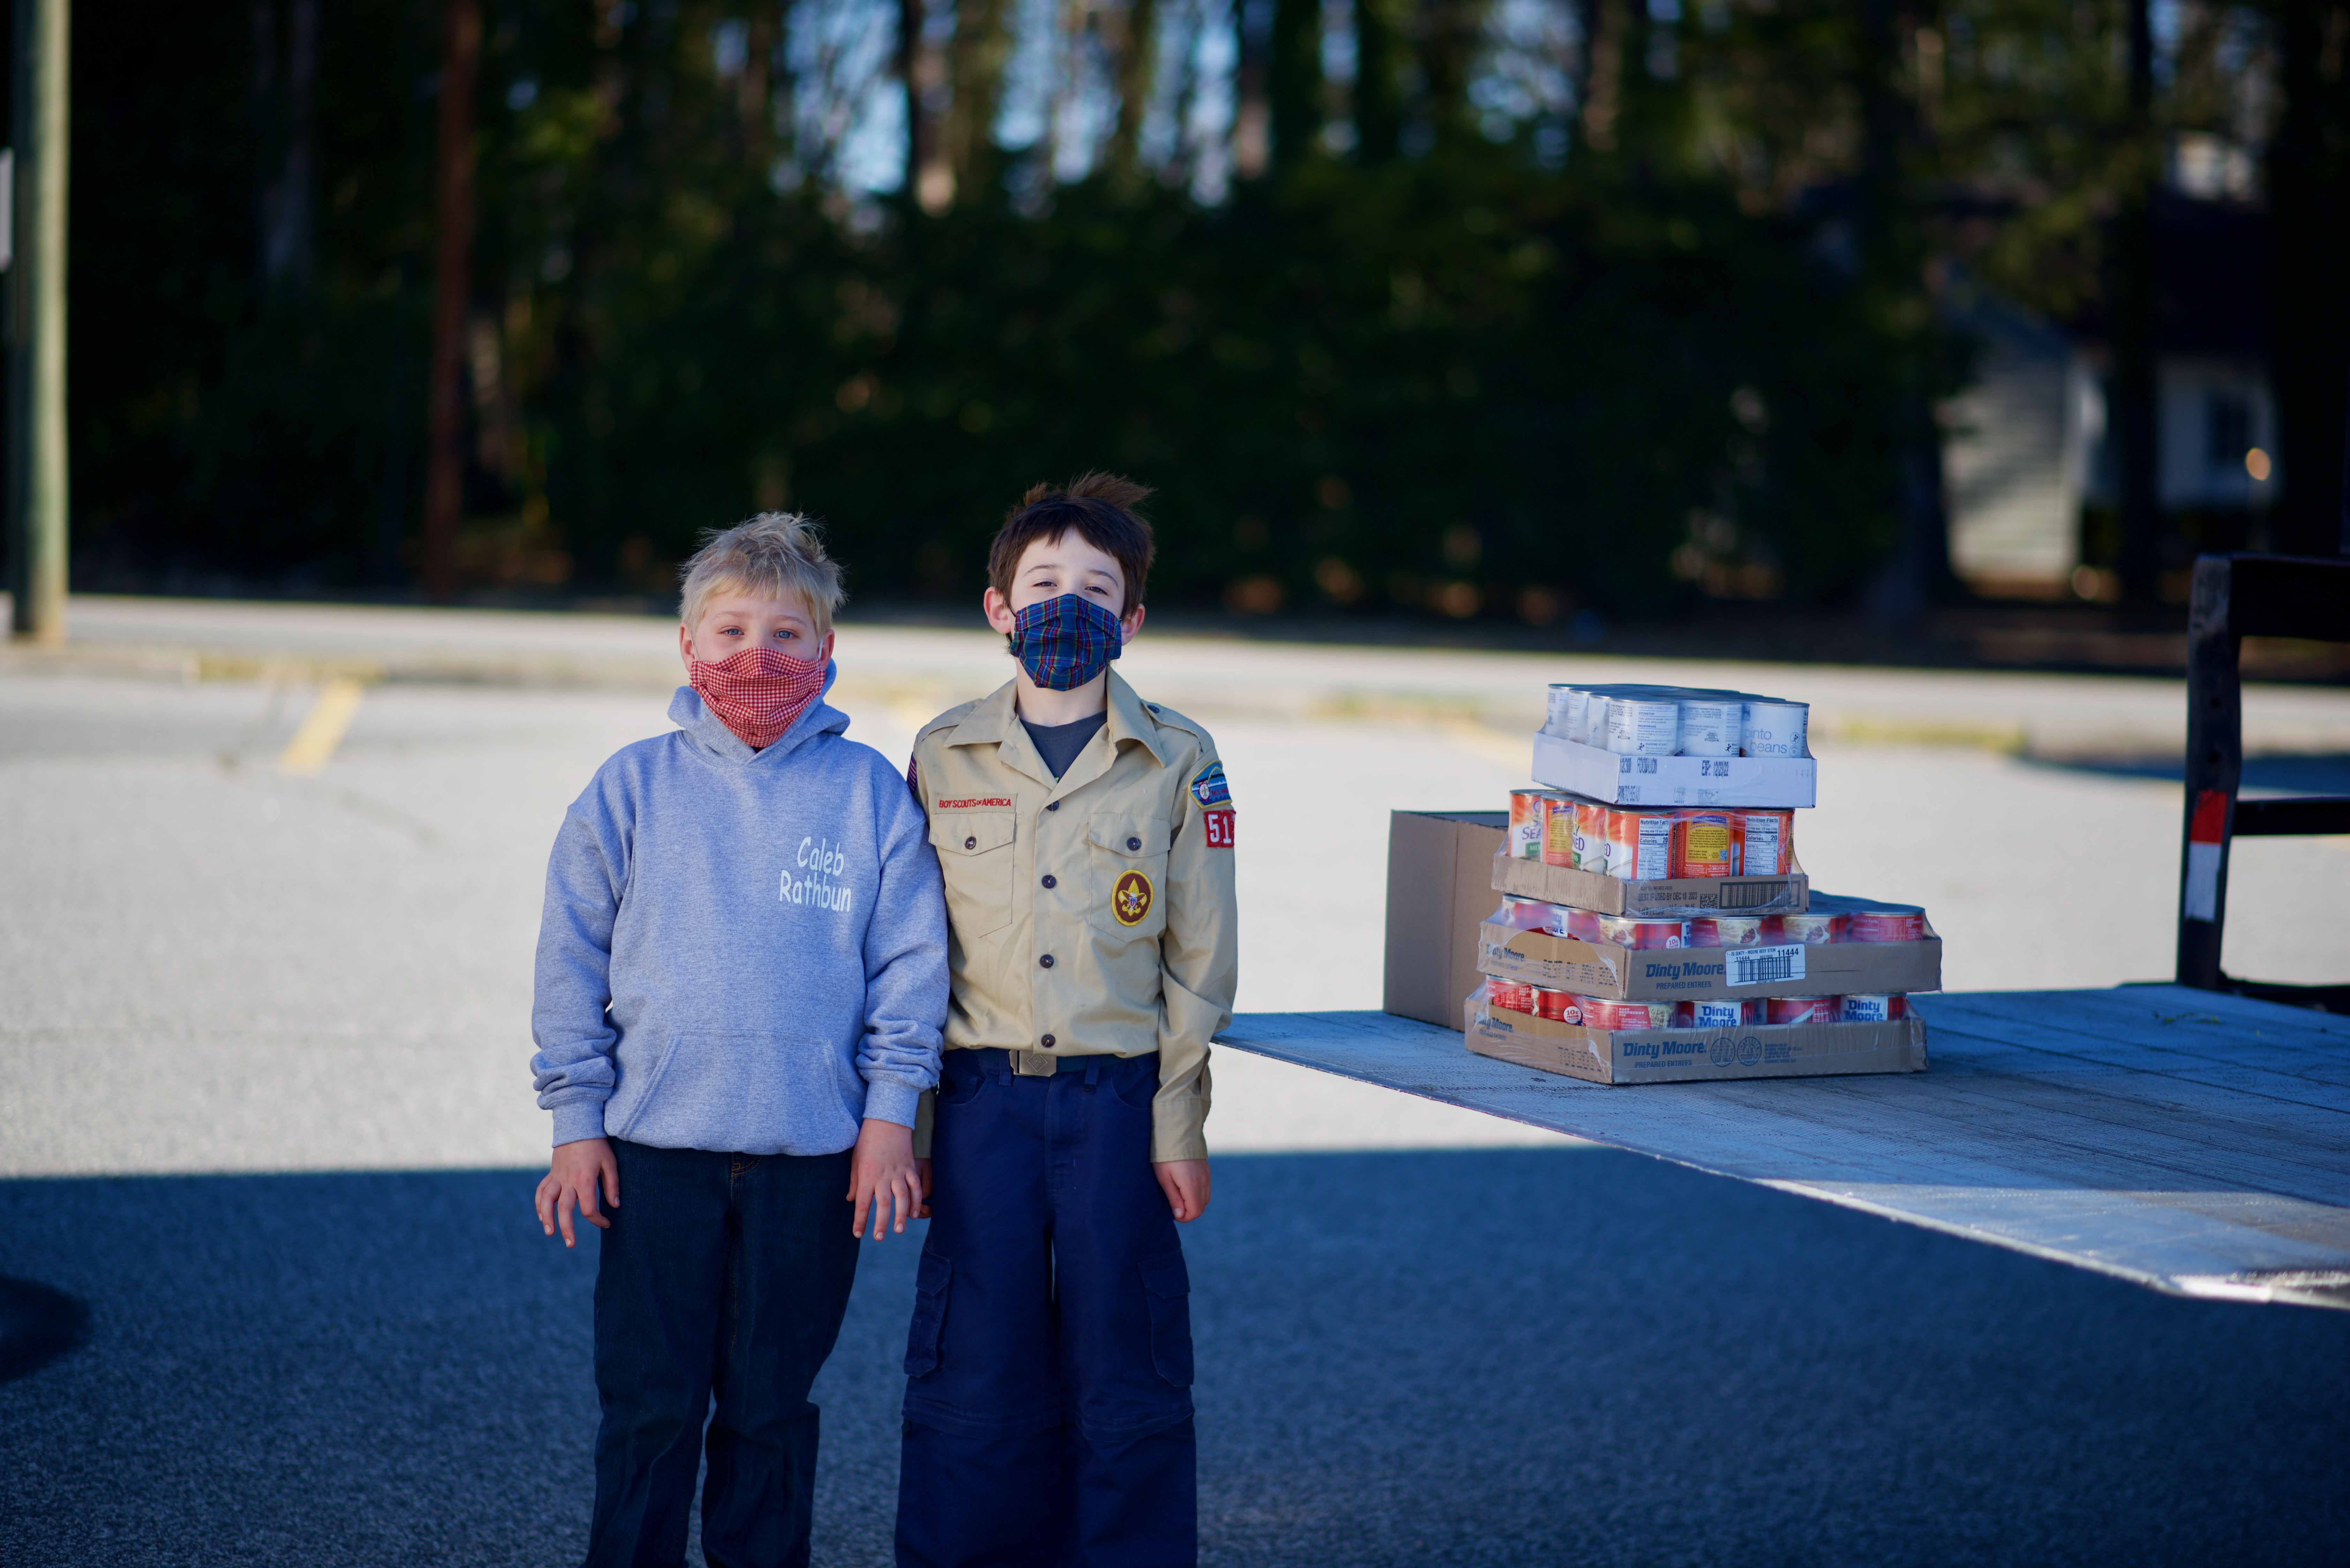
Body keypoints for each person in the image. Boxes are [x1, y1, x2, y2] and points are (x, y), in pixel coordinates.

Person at [530, 513, 947, 1568]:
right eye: (728, 632)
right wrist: (576, 1121)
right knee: (651, 1405)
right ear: (686, 648)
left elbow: (911, 970)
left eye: (787, 636)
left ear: (828, 655)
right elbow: (571, 960)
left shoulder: (868, 799)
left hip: (810, 1162)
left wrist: (890, 1118)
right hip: (655, 1155)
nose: (756, 658)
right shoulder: (630, 789)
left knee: (769, 1411)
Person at [896, 474, 1240, 1568]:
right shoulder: (943, 754)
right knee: (976, 1375)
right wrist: (903, 1124)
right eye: (1043, 584)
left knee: (1126, 1371)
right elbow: (905, 958)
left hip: (1116, 1108)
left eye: (1097, 590)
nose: (1068, 606)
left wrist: (1177, 1121)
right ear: (999, 609)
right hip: (978, 1108)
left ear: (1131, 623)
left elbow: (1201, 957)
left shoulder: (1180, 760)